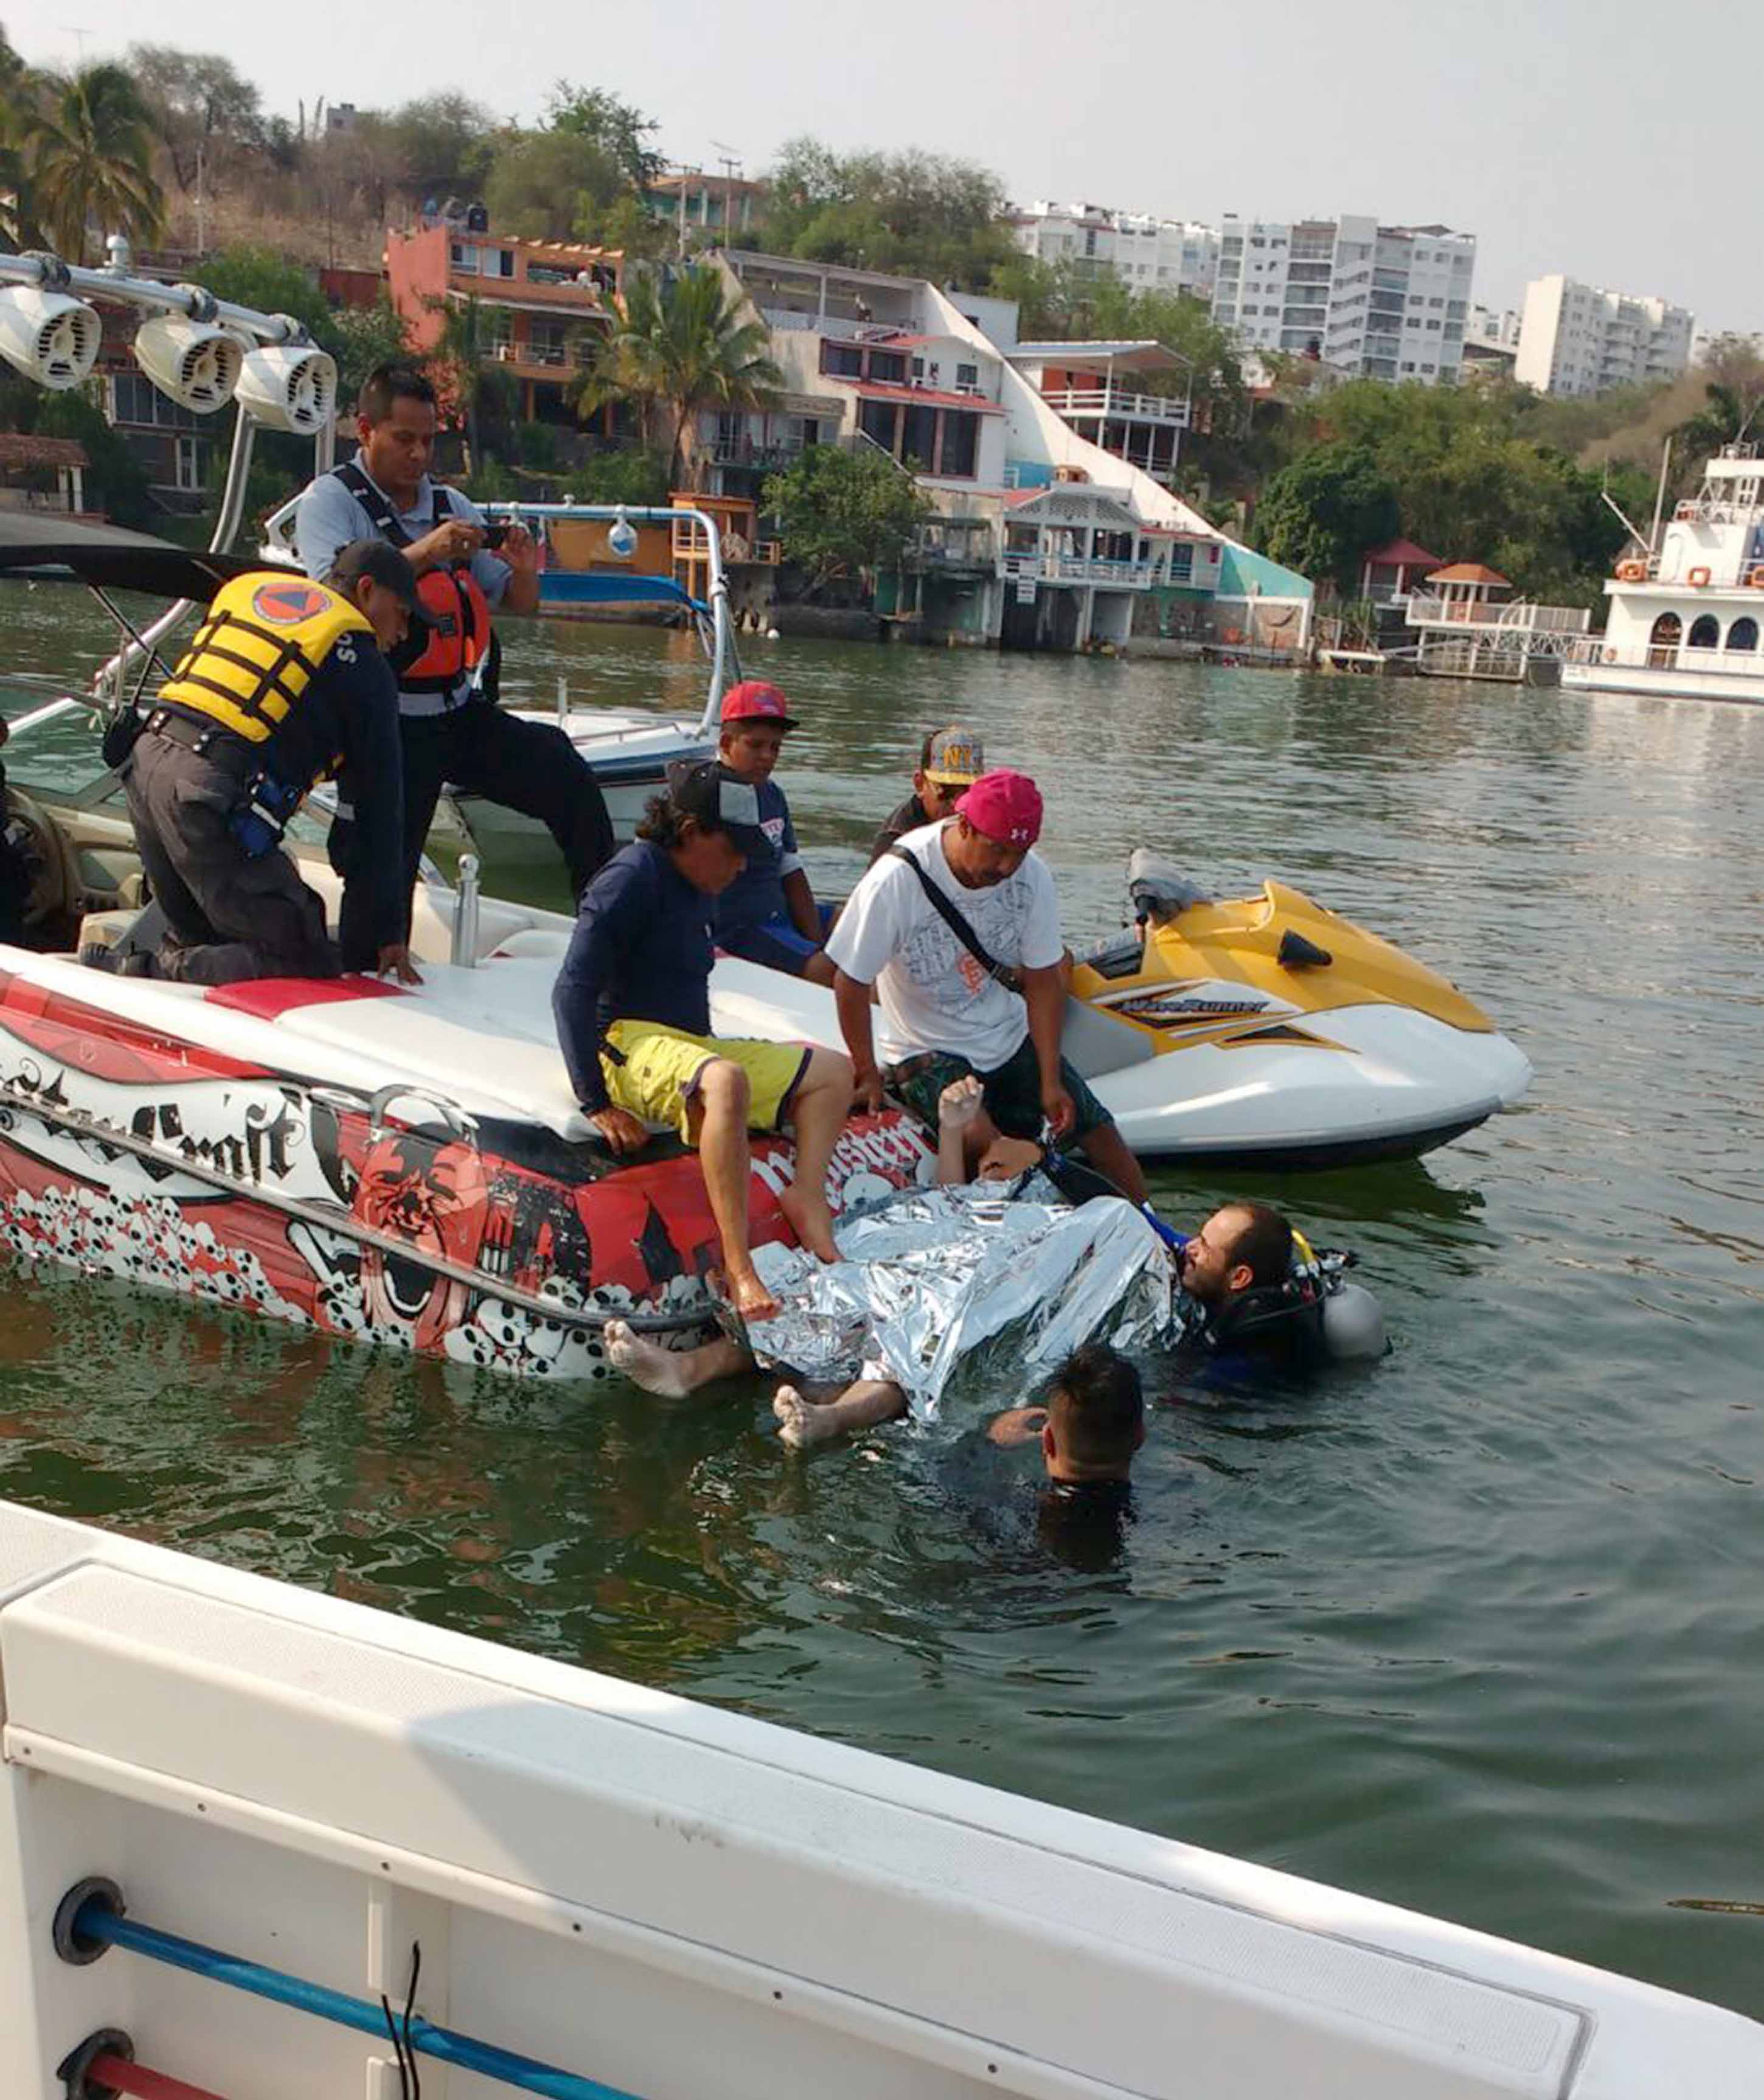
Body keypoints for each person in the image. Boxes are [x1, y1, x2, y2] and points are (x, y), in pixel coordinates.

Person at [601, 1079, 1170, 1449]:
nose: (992, 1167)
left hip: (967, 1293)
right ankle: (689, 1369)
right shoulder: (986, 1194)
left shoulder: (1063, 1215)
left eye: (1002, 1165)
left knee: (923, 1338)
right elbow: (947, 1201)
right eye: (989, 1165)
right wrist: (952, 1128)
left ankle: (832, 1419)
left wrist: (1027, 1171)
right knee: (821, 1292)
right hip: (915, 1263)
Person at [293, 363, 613, 918]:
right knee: (382, 876)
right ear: (366, 431)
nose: (419, 456)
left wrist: (524, 568)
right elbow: (333, 600)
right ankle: (370, 965)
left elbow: (518, 603)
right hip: (385, 722)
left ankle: (604, 919)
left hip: (457, 712)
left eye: (428, 442)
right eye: (404, 440)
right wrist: (428, 553)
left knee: (568, 777)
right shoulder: (330, 501)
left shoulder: (452, 506)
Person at [551, 759, 854, 1320]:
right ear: (691, 834)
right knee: (725, 1078)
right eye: (735, 852)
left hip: (687, 1042)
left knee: (835, 1070)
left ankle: (806, 1194)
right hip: (624, 1040)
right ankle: (741, 1268)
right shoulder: (630, 879)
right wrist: (595, 1101)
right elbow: (571, 988)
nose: (742, 868)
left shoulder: (702, 881)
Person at [97, 542, 422, 987]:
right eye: (402, 612)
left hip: (145, 766)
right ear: (366, 591)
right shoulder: (364, 665)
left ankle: (167, 979)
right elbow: (382, 811)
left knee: (200, 932)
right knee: (304, 961)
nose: (403, 632)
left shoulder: (266, 606)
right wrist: (388, 933)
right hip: (204, 794)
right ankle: (147, 972)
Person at [825, 767, 1150, 1206]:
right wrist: (866, 1070)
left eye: (1019, 853)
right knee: (983, 1139)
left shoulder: (1032, 878)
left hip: (1006, 1034)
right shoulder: (898, 877)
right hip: (927, 1047)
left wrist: (1051, 1078)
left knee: (1099, 1130)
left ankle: (1152, 1232)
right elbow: (850, 979)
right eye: (996, 850)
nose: (1006, 867)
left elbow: (1042, 979)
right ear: (964, 826)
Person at [709, 680, 835, 982]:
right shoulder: (708, 793)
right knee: (833, 973)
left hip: (780, 914)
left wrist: (815, 940)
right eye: (755, 745)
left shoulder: (773, 794)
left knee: (858, 922)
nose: (767, 756)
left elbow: (791, 870)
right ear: (726, 744)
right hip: (742, 929)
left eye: (775, 747)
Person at [985, 1341, 1145, 1506]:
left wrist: (992, 1441)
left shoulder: (1018, 1502)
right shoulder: (1145, 1509)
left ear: (1047, 1439)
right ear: (1141, 1436)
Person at [866, 723, 986, 866]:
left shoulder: (988, 826)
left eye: (968, 792)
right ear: (920, 784)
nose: (958, 805)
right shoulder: (895, 844)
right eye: (946, 791)